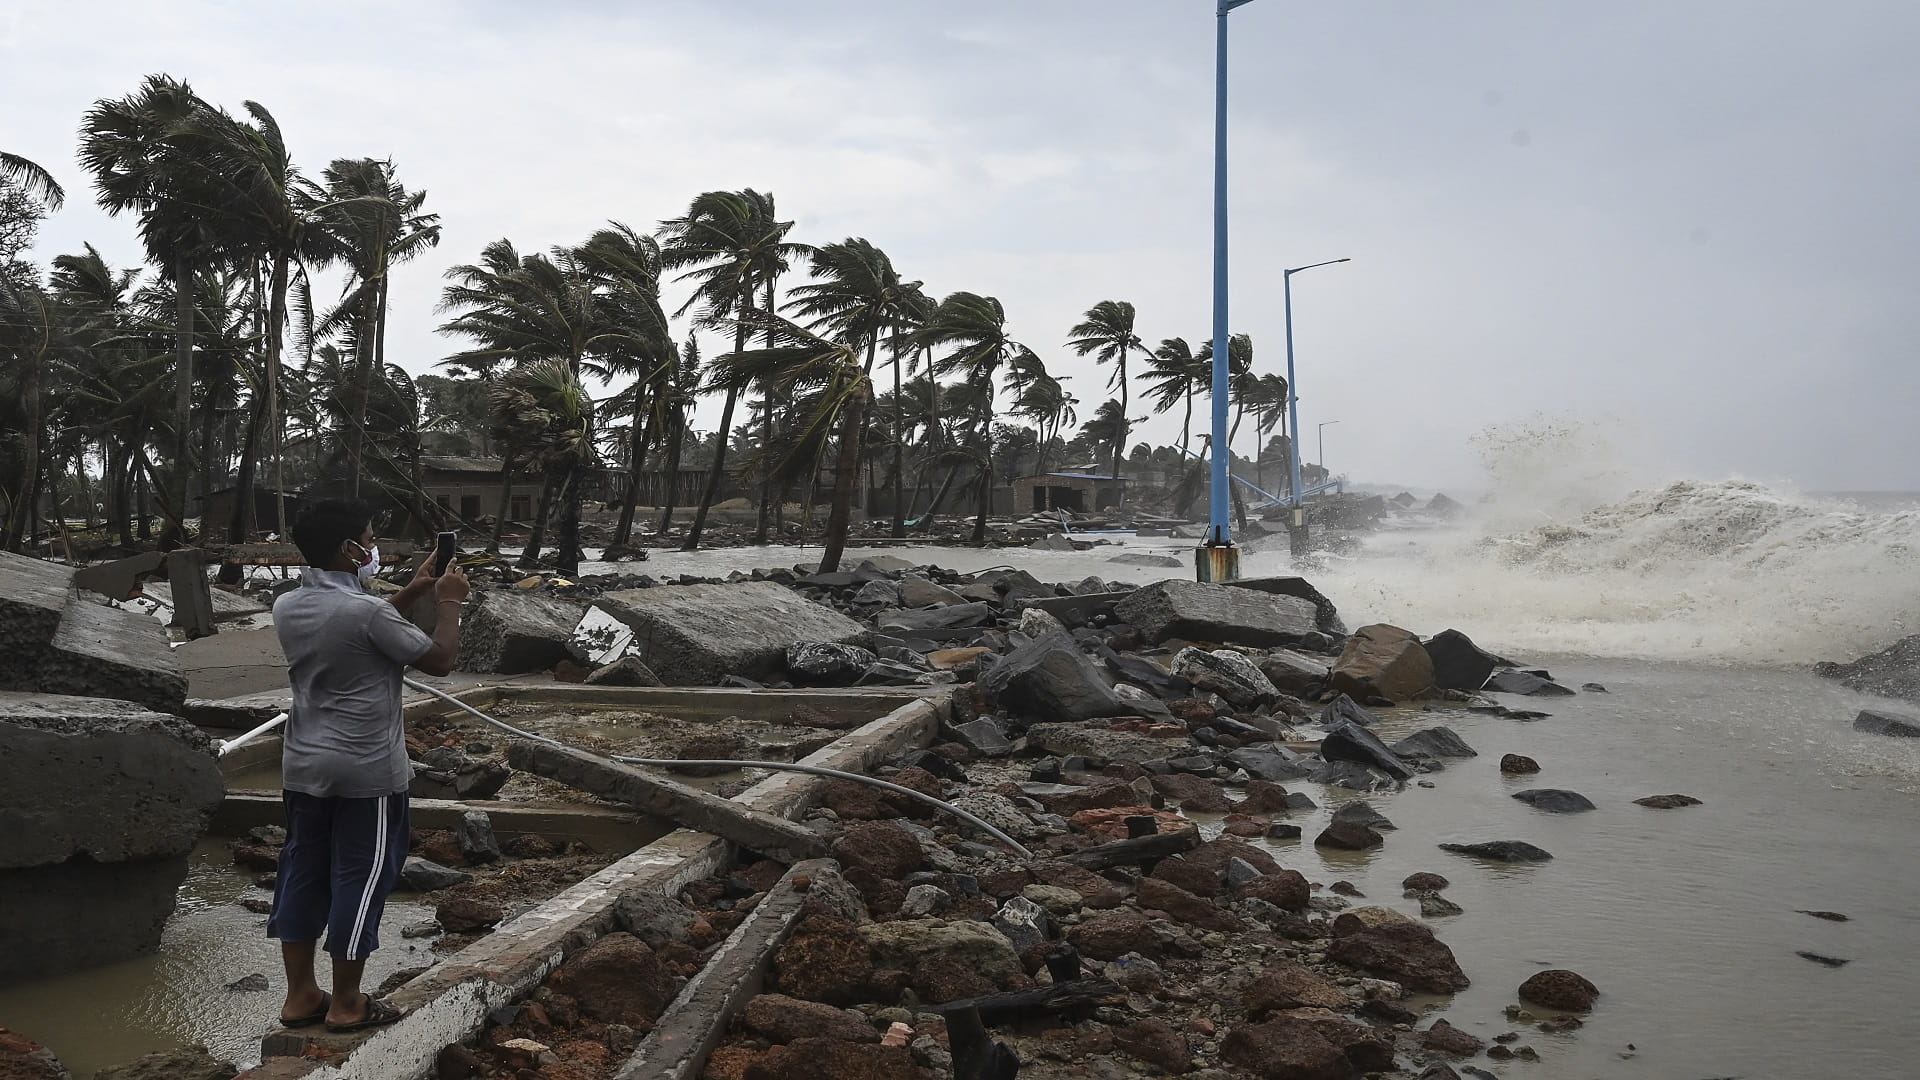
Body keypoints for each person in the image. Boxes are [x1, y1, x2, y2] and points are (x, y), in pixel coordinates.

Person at [268, 499, 469, 1032]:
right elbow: (440, 659)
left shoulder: (288, 605)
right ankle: (349, 1002)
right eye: (370, 536)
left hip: (304, 767)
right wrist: (449, 602)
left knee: (303, 872)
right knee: (361, 877)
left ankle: (301, 997)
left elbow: (359, 626)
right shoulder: (367, 611)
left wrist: (416, 590)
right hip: (367, 773)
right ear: (349, 549)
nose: (374, 545)